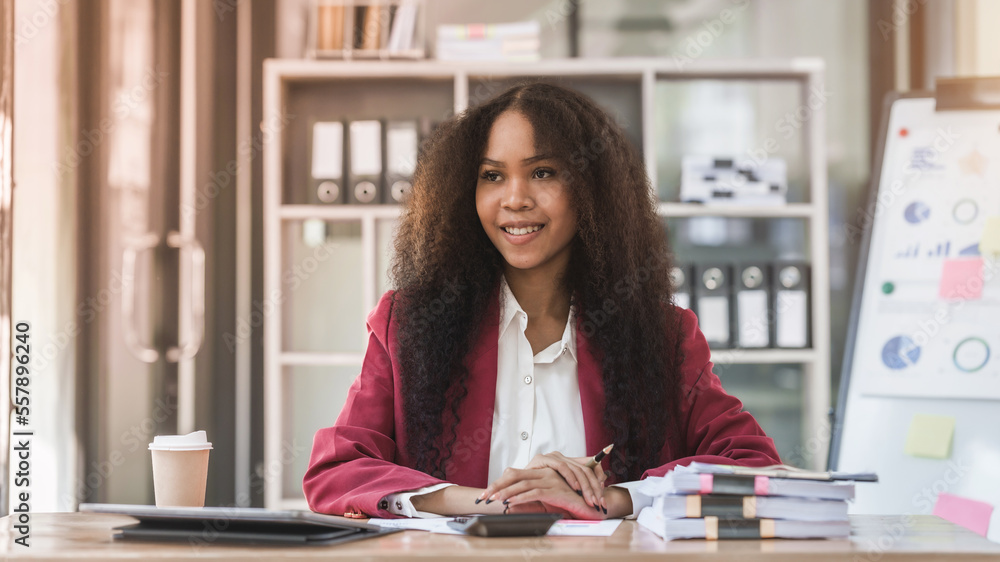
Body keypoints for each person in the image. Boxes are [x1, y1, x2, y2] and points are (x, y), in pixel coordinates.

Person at [303, 82, 780, 520]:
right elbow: (336, 471)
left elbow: (755, 466)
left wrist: (611, 499)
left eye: (543, 172)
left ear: (591, 191)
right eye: (492, 176)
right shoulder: (407, 324)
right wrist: (486, 502)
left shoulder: (662, 335)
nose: (515, 199)